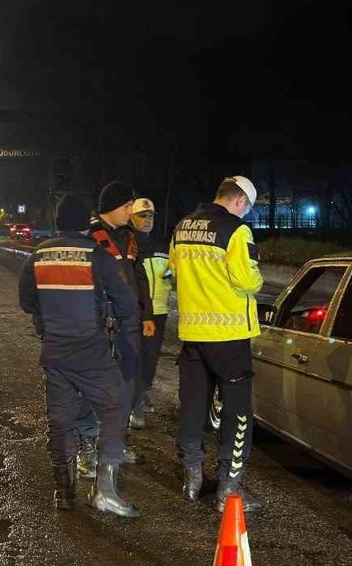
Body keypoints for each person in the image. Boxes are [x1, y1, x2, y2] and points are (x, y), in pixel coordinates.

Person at [18, 194, 141, 517]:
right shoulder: (97, 256)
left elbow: (27, 302)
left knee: (59, 422)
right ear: (85, 224)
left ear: (58, 222)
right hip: (92, 352)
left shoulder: (38, 255)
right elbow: (127, 304)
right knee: (116, 406)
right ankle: (105, 490)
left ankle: (63, 491)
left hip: (55, 353)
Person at [169, 176, 266, 513]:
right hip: (228, 337)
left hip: (192, 335)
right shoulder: (237, 230)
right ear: (240, 201)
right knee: (238, 412)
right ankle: (229, 489)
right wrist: (257, 277)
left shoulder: (182, 227)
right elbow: (246, 279)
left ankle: (192, 480)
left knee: (194, 407)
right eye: (248, 209)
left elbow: (173, 270)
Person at [71, 181, 150, 475]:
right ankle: (86, 447)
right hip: (97, 324)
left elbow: (138, 279)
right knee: (91, 388)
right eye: (128, 206)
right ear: (112, 207)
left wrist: (147, 315)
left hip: (127, 325)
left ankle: (117, 442)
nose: (133, 211)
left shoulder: (130, 239)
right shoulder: (90, 236)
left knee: (126, 386)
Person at [128, 197, 172, 429]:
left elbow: (170, 272)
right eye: (142, 216)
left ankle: (143, 391)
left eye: (150, 216)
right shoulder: (128, 243)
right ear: (132, 218)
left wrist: (167, 279)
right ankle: (133, 404)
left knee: (152, 357)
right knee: (135, 357)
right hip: (136, 310)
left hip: (159, 309)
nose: (147, 221)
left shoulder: (163, 244)